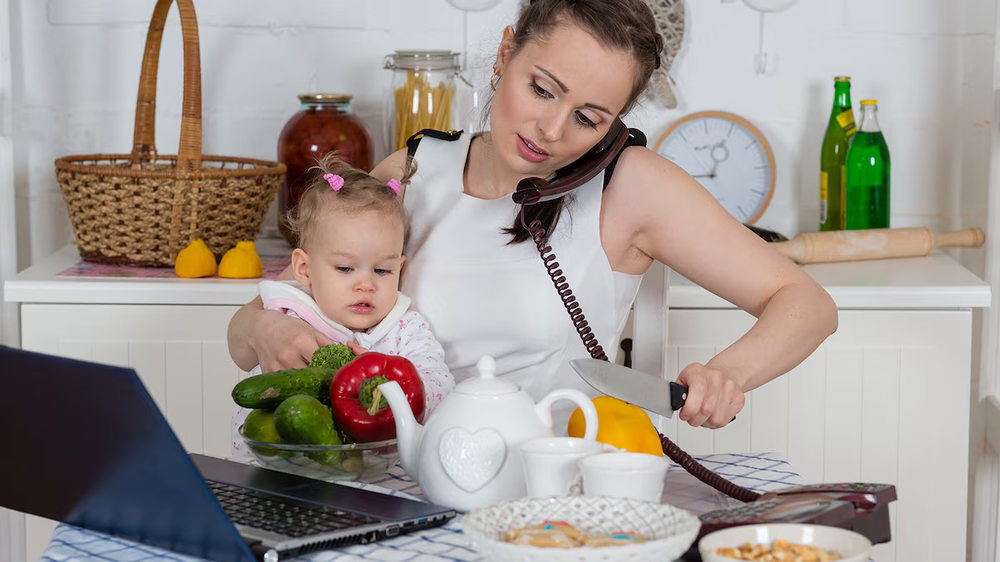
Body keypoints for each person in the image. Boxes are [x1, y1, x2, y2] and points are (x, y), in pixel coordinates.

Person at [229, 0, 837, 432]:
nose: (550, 131)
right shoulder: (415, 169)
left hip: (546, 490)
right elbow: (258, 322)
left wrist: (725, 373)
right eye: (542, 89)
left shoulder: (631, 186)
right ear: (504, 53)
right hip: (400, 475)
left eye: (590, 117)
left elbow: (806, 303)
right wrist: (266, 330)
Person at [231, 154, 454, 456]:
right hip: (281, 471)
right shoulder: (288, 314)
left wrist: (389, 380)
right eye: (345, 269)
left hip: (377, 479)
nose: (366, 284)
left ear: (400, 270)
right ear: (304, 269)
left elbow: (440, 386)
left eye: (382, 270)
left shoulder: (405, 329)